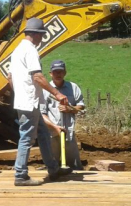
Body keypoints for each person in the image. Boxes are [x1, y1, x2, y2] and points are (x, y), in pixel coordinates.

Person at [9, 17, 69, 186]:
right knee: (27, 137)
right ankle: (20, 174)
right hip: (30, 102)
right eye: (41, 35)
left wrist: (19, 93)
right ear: (35, 34)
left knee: (43, 133)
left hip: (25, 100)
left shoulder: (17, 51)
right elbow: (37, 76)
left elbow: (10, 77)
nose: (42, 38)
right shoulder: (30, 50)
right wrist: (56, 93)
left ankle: (53, 169)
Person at [41, 60, 85, 170]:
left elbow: (81, 106)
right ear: (50, 73)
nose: (58, 74)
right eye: (55, 72)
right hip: (52, 132)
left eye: (60, 71)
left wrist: (69, 108)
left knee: (75, 166)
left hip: (68, 131)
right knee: (52, 164)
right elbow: (42, 113)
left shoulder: (73, 87)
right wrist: (53, 127)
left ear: (65, 72)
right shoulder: (45, 90)